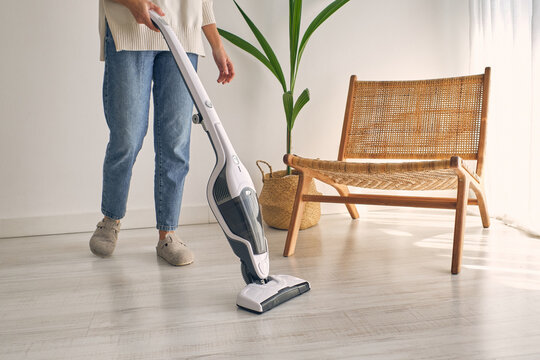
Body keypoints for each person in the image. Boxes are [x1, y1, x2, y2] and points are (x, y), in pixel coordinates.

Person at [90, 0, 234, 265]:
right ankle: (110, 218)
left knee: (176, 141)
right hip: (128, 28)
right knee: (127, 137)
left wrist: (217, 44)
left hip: (182, 37)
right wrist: (132, 4)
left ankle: (168, 234)